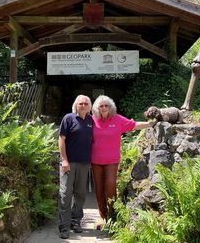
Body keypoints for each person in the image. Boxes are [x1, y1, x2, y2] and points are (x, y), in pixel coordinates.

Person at [91, 95, 153, 225]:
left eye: (106, 105)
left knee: (110, 186)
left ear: (110, 107)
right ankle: (103, 218)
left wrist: (150, 124)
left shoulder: (117, 119)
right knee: (98, 189)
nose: (103, 108)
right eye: (101, 106)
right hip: (95, 160)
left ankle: (112, 215)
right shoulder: (92, 121)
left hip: (112, 161)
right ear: (97, 108)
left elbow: (134, 125)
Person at [58, 94, 93, 239]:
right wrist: (64, 160)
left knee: (81, 194)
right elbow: (61, 139)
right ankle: (64, 227)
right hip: (69, 163)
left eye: (86, 103)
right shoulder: (68, 118)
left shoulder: (92, 120)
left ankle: (75, 221)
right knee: (66, 194)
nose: (83, 105)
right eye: (81, 104)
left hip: (84, 164)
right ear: (76, 105)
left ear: (89, 106)